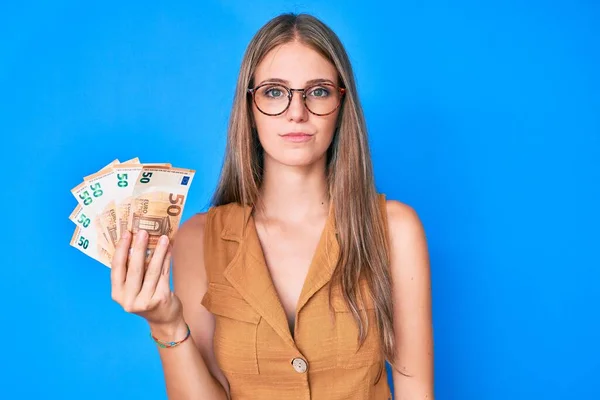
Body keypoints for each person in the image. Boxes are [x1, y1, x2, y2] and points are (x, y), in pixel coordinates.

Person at [110, 12, 434, 400]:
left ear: (342, 103)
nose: (296, 112)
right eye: (275, 92)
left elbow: (416, 391)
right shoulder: (199, 238)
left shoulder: (395, 229)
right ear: (249, 105)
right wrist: (166, 325)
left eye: (318, 91)